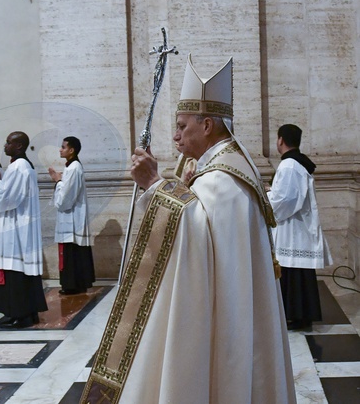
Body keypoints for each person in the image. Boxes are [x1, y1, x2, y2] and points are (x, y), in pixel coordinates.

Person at [82, 55, 295, 403]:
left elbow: (193, 238)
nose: (176, 135)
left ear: (207, 125)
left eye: (182, 126)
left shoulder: (222, 181)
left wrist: (154, 184)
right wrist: (177, 188)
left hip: (223, 322)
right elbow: (201, 223)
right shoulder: (226, 166)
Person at [268, 124, 332, 330]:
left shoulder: (289, 165)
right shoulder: (296, 163)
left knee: (294, 272)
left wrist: (267, 199)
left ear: (280, 140)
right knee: (298, 274)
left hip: (292, 229)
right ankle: (301, 316)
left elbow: (286, 199)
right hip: (296, 228)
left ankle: (297, 316)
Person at [0, 131, 47, 328]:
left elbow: (7, 198)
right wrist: (1, 181)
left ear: (19, 146)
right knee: (20, 271)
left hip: (15, 228)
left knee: (16, 271)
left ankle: (22, 315)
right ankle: (28, 313)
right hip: (19, 224)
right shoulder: (23, 165)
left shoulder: (18, 166)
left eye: (9, 142)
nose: (5, 146)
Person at [48, 136, 95, 295]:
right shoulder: (72, 167)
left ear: (72, 150)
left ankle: (73, 285)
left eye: (63, 147)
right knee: (73, 251)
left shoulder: (74, 168)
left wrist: (58, 181)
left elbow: (65, 200)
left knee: (72, 252)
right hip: (72, 217)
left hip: (72, 218)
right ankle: (76, 284)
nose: (60, 150)